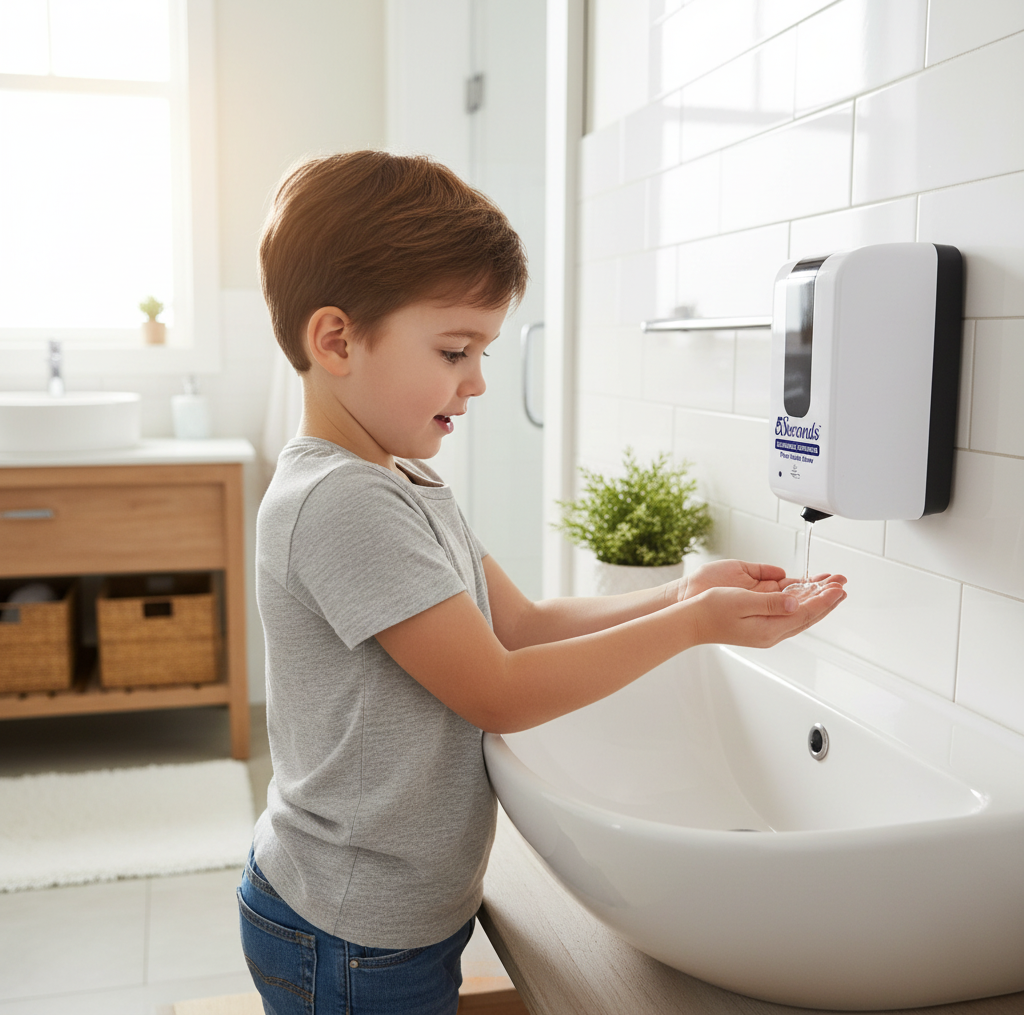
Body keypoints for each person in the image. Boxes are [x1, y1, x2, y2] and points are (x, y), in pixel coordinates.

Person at [238, 150, 847, 1015]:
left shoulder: (401, 480)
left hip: (384, 917)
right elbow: (499, 690)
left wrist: (678, 593)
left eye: (482, 349)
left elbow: (517, 624)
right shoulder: (338, 502)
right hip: (348, 929)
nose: (479, 378)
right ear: (335, 339)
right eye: (455, 349)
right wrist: (693, 627)